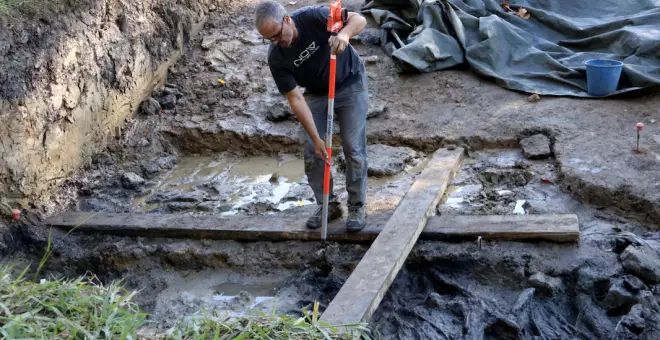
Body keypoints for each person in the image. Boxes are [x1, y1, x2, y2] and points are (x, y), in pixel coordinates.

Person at [255, 1, 369, 232]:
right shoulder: (276, 58)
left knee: (353, 147)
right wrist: (317, 138)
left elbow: (360, 19)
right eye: (269, 40)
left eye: (276, 35)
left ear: (286, 20)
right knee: (312, 150)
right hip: (317, 92)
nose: (276, 42)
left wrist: (344, 35)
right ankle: (328, 204)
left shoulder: (313, 17)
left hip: (350, 81)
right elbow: (296, 98)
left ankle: (356, 205)